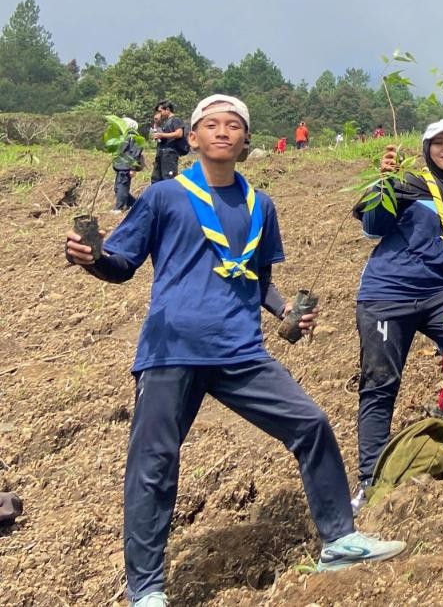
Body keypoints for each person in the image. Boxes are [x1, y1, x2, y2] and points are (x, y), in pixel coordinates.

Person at [63, 94, 405, 607]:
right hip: (171, 350)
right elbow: (121, 264)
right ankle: (147, 590)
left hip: (240, 351)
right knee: (153, 462)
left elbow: (257, 277)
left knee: (310, 425)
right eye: (211, 125)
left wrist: (285, 313)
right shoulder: (163, 196)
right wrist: (92, 258)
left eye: (234, 126)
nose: (223, 132)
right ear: (193, 137)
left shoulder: (260, 205)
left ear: (246, 141)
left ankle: (338, 538)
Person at [350, 120, 443, 509]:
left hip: (435, 296)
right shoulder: (408, 184)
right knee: (380, 384)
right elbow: (373, 227)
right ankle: (369, 480)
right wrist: (384, 184)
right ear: (427, 147)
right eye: (439, 143)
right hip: (386, 295)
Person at [111, 117, 144, 214]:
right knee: (118, 188)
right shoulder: (124, 137)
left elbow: (135, 154)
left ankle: (119, 208)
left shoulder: (134, 137)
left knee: (122, 187)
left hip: (126, 167)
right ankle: (134, 205)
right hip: (121, 166)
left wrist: (132, 168)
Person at [150, 100, 186, 182]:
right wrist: (156, 123)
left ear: (167, 110)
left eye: (160, 111)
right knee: (156, 178)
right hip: (162, 153)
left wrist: (162, 135)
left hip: (170, 153)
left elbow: (179, 133)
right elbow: (158, 133)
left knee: (168, 178)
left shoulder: (175, 120)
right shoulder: (166, 122)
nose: (159, 114)